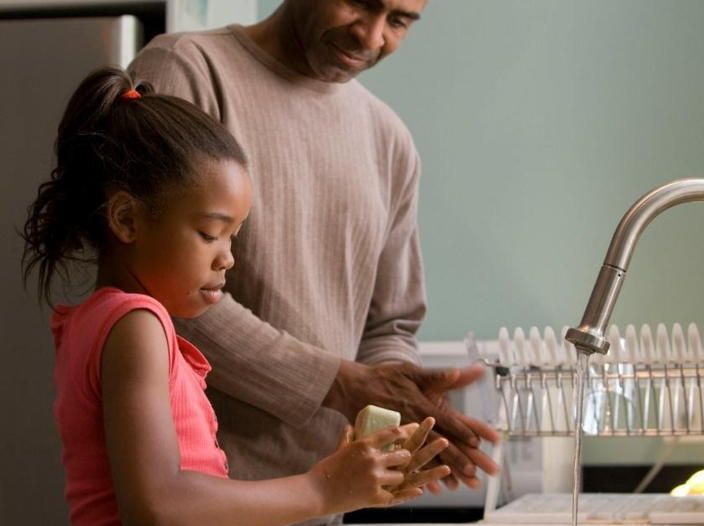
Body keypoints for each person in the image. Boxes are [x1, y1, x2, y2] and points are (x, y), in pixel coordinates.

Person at [21, 67, 450, 526]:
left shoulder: (101, 321)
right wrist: (322, 488)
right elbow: (158, 508)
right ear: (126, 219)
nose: (227, 257)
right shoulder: (136, 324)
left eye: (233, 236)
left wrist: (338, 475)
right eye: (209, 233)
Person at [128, 0, 499, 495]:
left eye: (399, 21)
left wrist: (395, 396)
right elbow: (155, 286)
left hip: (325, 505)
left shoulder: (388, 140)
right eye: (360, 4)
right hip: (198, 501)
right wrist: (339, 383)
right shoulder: (187, 70)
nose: (371, 38)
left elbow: (391, 323)